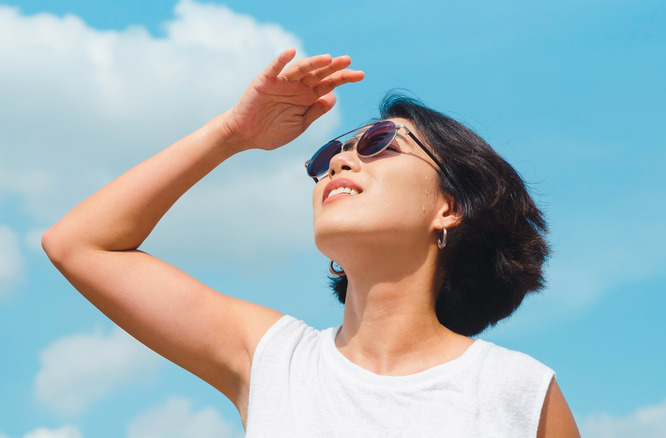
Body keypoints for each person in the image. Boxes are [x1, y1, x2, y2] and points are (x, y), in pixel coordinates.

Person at [42, 48, 580, 437]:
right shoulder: (275, 360)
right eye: (326, 160)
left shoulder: (519, 391)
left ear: (450, 208)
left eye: (379, 143)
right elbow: (80, 244)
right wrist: (232, 133)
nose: (340, 161)